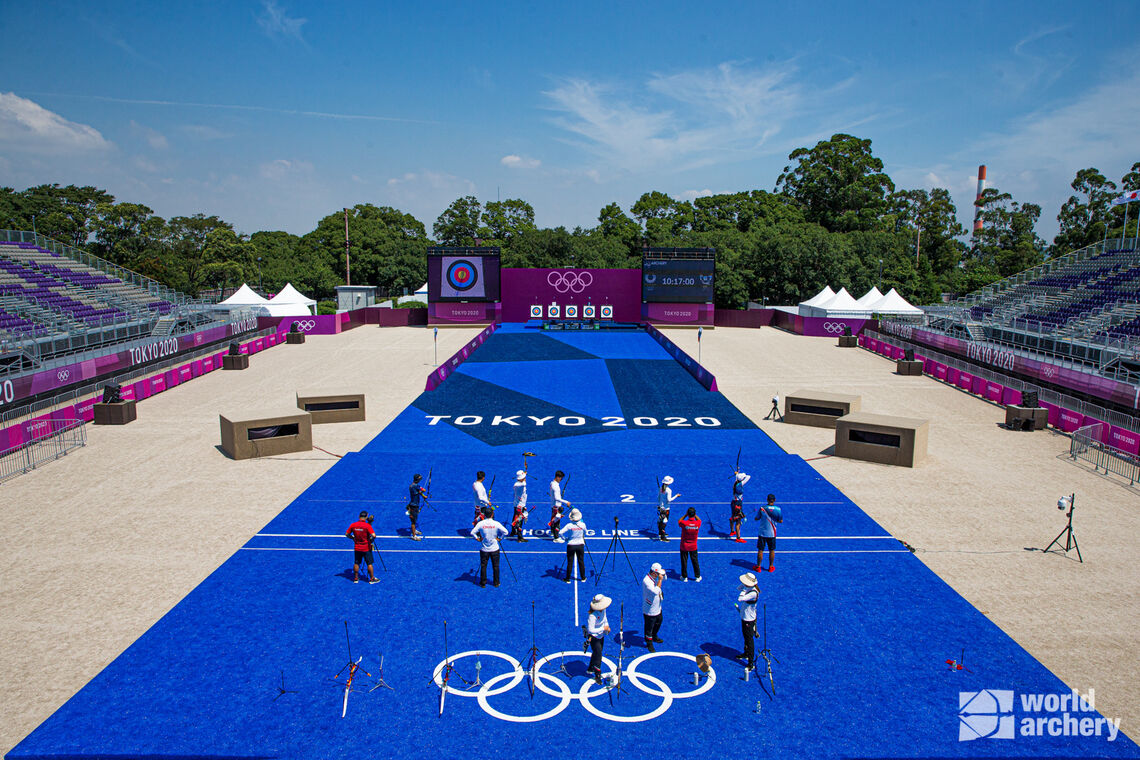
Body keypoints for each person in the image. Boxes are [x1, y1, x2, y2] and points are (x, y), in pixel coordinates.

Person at [470, 506, 509, 588]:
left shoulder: (480, 523)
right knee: (496, 566)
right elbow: (506, 532)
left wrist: (477, 538)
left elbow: (472, 533)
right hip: (495, 548)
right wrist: (500, 538)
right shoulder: (496, 523)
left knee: (483, 566)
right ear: (492, 514)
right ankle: (496, 582)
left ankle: (483, 583)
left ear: (484, 515)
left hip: (484, 549)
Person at [345, 510, 379, 584]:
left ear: (359, 517)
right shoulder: (367, 526)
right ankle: (372, 579)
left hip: (357, 547)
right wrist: (371, 540)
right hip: (366, 548)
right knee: (369, 563)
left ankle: (356, 578)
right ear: (366, 517)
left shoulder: (353, 525)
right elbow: (374, 535)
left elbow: (347, 534)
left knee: (356, 563)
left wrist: (353, 538)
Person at [586, 594, 612, 685]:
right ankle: (597, 675)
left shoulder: (603, 610)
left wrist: (607, 626)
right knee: (599, 655)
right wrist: (603, 629)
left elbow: (605, 619)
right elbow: (591, 630)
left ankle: (590, 668)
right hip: (594, 638)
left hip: (601, 636)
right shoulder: (592, 616)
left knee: (596, 653)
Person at [737, 573, 759, 670]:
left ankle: (751, 663)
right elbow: (739, 588)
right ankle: (746, 653)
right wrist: (744, 585)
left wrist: (744, 589)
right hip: (745, 617)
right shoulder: (749, 588)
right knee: (745, 637)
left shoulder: (753, 593)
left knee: (749, 640)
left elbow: (740, 598)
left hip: (749, 620)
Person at [559, 508, 588, 583]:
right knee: (581, 561)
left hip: (571, 545)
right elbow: (586, 532)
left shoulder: (569, 525)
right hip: (580, 545)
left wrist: (565, 539)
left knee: (570, 562)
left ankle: (567, 579)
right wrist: (582, 536)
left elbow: (560, 532)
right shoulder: (582, 524)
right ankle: (583, 578)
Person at [641, 563, 665, 652]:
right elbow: (655, 591)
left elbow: (664, 577)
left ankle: (654, 636)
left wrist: (663, 575)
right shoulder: (646, 581)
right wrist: (660, 580)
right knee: (649, 628)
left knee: (659, 622)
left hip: (657, 606)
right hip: (650, 609)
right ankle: (649, 643)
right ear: (654, 573)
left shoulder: (654, 577)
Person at [755, 493, 780, 573]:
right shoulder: (778, 509)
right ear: (774, 500)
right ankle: (771, 567)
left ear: (767, 499)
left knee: (760, 550)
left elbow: (757, 518)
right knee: (772, 550)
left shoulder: (762, 508)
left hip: (762, 533)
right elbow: (780, 520)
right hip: (772, 533)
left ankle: (758, 567)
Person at [678, 507, 702, 582]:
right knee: (695, 561)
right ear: (694, 514)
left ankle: (684, 577)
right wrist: (695, 515)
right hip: (693, 546)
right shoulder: (697, 523)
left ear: (688, 514)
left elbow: (679, 521)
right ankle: (697, 576)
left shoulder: (684, 523)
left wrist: (685, 515)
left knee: (684, 561)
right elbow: (699, 520)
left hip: (684, 546)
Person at [549, 470, 570, 543]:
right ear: (558, 477)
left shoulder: (552, 483)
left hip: (553, 505)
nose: (561, 480)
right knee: (557, 522)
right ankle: (556, 538)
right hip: (556, 506)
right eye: (561, 478)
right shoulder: (556, 487)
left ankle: (552, 532)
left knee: (553, 519)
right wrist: (566, 502)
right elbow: (557, 498)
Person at [729, 470, 750, 543]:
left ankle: (732, 531)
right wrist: (739, 475)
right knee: (738, 520)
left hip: (733, 503)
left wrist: (737, 474)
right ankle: (738, 538)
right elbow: (748, 477)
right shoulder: (741, 484)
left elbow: (737, 478)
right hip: (738, 504)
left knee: (733, 516)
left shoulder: (735, 483)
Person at [656, 475, 680, 541]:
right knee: (664, 521)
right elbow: (669, 500)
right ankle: (662, 536)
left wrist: (660, 504)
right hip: (666, 508)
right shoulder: (668, 490)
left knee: (661, 520)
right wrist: (676, 496)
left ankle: (660, 532)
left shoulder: (660, 488)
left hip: (661, 507)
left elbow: (658, 498)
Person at [510, 470, 528, 542]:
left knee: (515, 517)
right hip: (520, 506)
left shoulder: (519, 483)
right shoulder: (518, 485)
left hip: (517, 504)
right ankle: (520, 537)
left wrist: (524, 475)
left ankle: (513, 531)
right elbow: (524, 484)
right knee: (520, 520)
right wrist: (524, 477)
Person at [407, 473, 425, 541]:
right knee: (413, 522)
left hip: (414, 505)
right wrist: (423, 492)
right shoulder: (415, 486)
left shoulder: (412, 486)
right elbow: (423, 490)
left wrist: (423, 496)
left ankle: (414, 530)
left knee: (415, 519)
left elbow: (419, 492)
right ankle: (414, 535)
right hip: (413, 506)